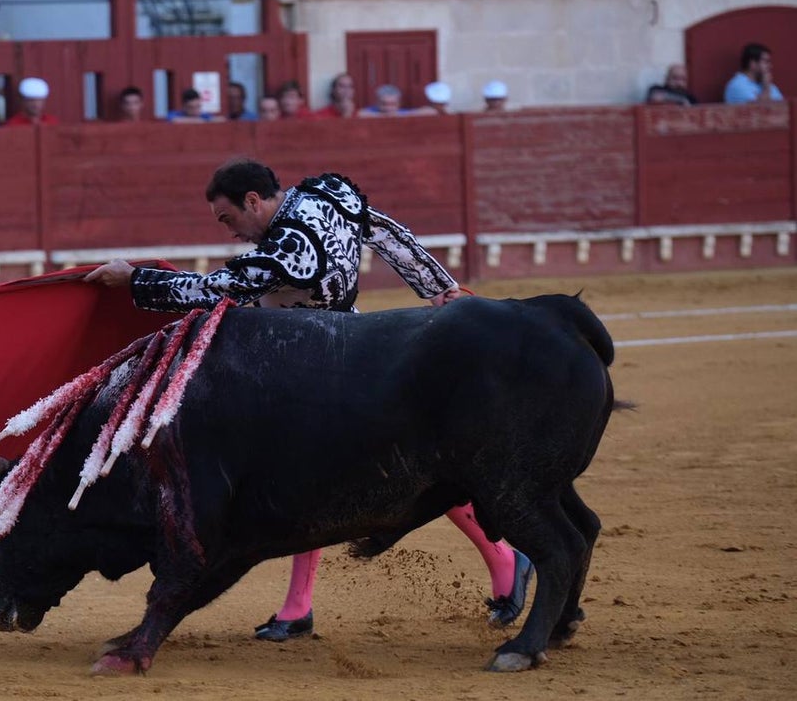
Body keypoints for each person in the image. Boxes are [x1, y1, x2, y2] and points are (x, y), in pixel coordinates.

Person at [83, 159, 535, 640]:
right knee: (363, 469)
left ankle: (506, 558)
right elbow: (386, 233)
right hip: (345, 346)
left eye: (228, 218)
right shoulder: (325, 197)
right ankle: (300, 605)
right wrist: (439, 288)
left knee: (374, 468)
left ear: (253, 201)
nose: (231, 231)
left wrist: (135, 281)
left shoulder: (292, 245)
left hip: (316, 365)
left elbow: (222, 287)